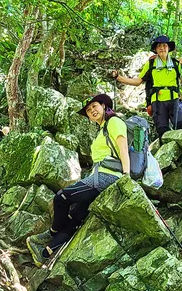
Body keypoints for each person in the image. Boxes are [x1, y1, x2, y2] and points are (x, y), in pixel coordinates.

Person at [28, 93, 130, 266]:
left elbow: (123, 148)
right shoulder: (102, 129)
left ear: (103, 106)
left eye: (94, 106)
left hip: (107, 177)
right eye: (89, 110)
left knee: (61, 198)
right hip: (99, 176)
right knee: (75, 216)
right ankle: (44, 254)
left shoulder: (114, 122)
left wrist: (126, 176)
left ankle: (52, 233)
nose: (92, 111)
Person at [112, 34, 182, 139]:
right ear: (155, 49)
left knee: (181, 127)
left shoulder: (176, 63)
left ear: (169, 48)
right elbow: (138, 81)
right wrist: (119, 77)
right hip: (158, 102)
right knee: (163, 132)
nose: (162, 48)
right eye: (159, 46)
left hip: (174, 99)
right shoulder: (151, 64)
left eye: (164, 45)